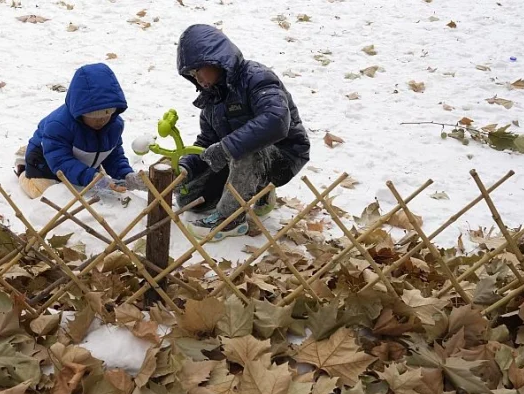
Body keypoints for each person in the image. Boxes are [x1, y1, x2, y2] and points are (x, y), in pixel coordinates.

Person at [176, 24, 311, 241]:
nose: (197, 78)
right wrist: (188, 167)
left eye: (198, 70)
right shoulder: (211, 101)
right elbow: (207, 143)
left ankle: (229, 219)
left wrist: (226, 147)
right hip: (235, 158)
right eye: (191, 74)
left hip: (283, 155)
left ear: (215, 60)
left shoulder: (257, 78)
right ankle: (255, 189)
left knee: (246, 150)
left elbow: (276, 120)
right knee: (191, 198)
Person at [17, 63, 145, 198]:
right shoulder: (59, 125)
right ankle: (23, 172)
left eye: (106, 114)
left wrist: (126, 175)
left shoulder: (114, 125)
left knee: (96, 192)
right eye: (93, 116)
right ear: (80, 112)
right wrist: (92, 178)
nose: (100, 121)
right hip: (45, 164)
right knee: (50, 196)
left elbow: (113, 156)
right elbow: (61, 161)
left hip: (83, 163)